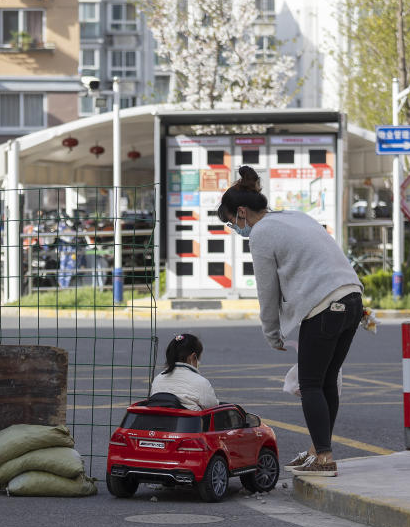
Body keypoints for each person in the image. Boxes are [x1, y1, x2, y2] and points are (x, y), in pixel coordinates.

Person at [217, 166, 363, 477]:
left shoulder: (260, 233)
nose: (237, 230)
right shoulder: (294, 216)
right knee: (325, 380)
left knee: (310, 384)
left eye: (233, 223)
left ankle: (323, 455)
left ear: (241, 212)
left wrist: (272, 334)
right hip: (352, 298)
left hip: (324, 305)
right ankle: (318, 450)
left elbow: (267, 290)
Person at [150, 334, 218, 411]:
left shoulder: (157, 379)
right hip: (189, 422)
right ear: (193, 357)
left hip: (160, 421)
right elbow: (213, 407)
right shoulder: (201, 382)